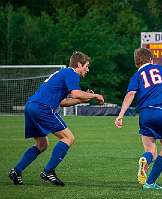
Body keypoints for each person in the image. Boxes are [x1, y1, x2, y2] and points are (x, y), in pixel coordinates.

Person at [9, 51, 105, 186]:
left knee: (42, 145)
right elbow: (76, 93)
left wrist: (81, 100)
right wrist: (96, 96)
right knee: (68, 138)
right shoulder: (72, 73)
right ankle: (48, 171)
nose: (87, 69)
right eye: (87, 66)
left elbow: (63, 102)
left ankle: (16, 171)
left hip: (31, 107)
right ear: (78, 64)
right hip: (43, 108)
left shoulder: (63, 74)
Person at [115, 48, 162, 190]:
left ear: (136, 63)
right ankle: (150, 183)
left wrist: (120, 115)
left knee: (150, 149)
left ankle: (146, 159)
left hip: (145, 113)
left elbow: (130, 94)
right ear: (151, 59)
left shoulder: (136, 75)